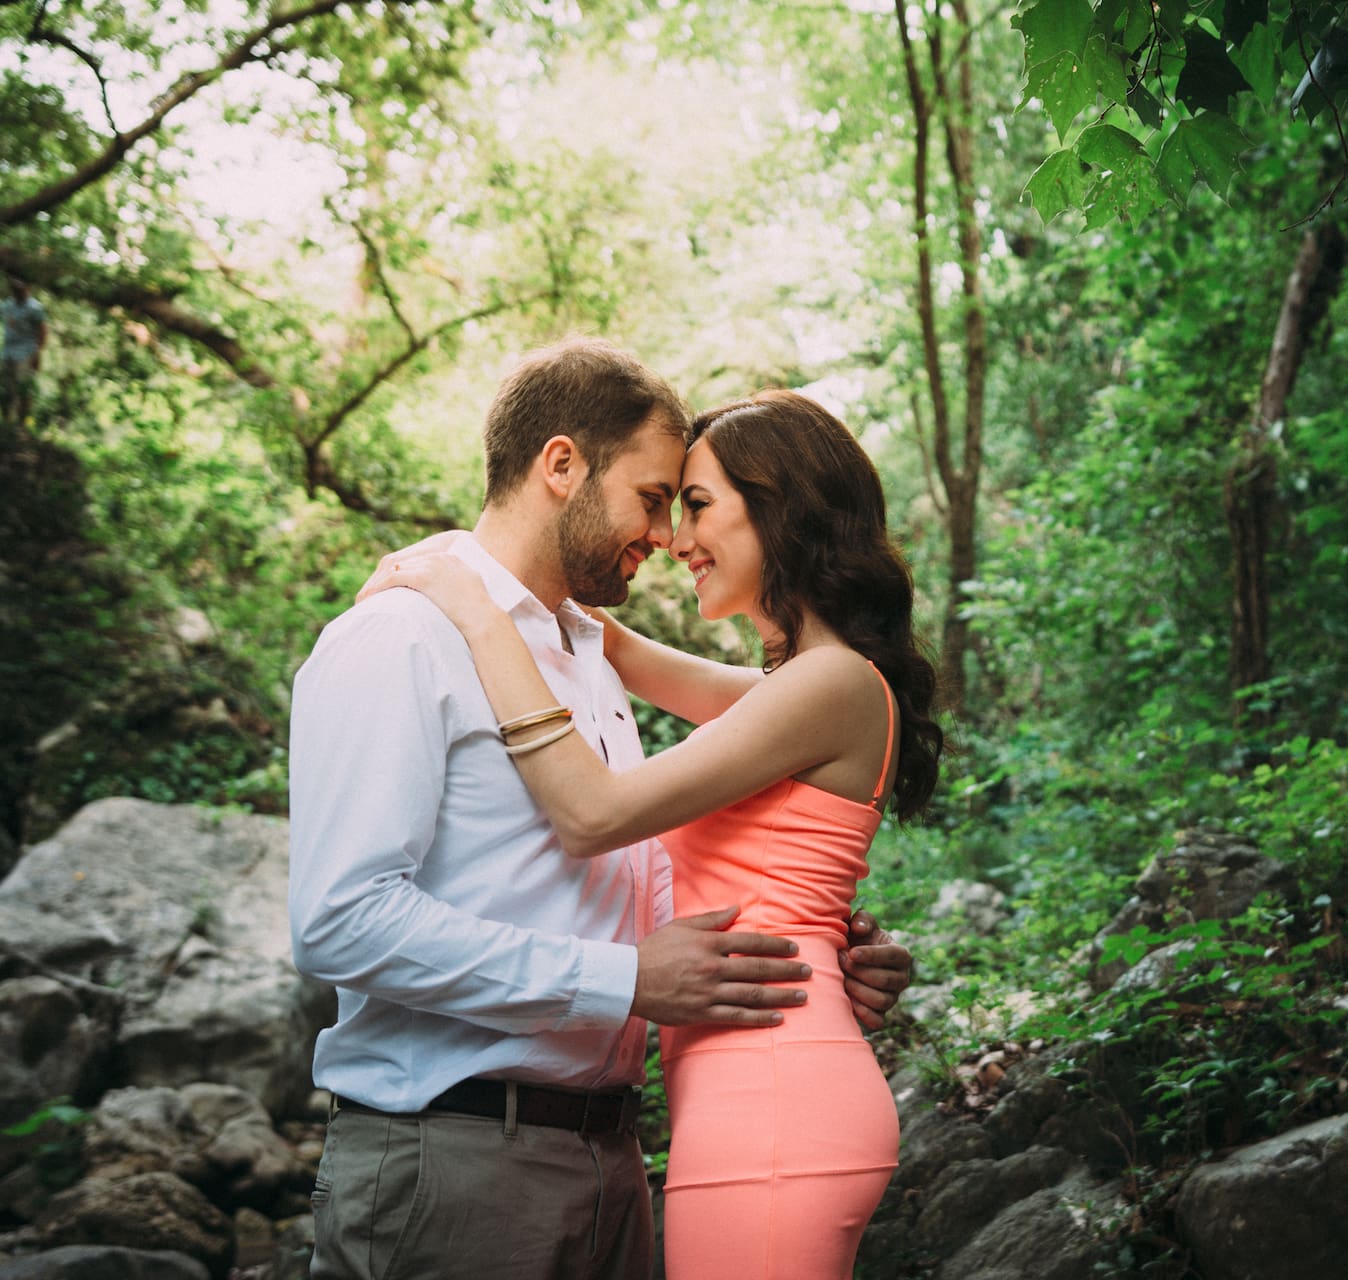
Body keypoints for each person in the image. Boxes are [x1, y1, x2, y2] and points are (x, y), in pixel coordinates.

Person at [288, 341, 914, 1280]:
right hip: (453, 1162)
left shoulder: (593, 659)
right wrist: (631, 978)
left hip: (616, 1161)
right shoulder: (404, 634)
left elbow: (616, 844)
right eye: (659, 499)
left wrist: (814, 942)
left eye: (689, 504)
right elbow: (339, 921)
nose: (669, 537)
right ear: (562, 465)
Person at [2, 278, 48, 427]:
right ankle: (7, 421)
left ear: (27, 289)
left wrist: (37, 354)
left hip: (27, 352)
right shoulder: (7, 305)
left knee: (24, 387)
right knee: (5, 386)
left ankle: (22, 424)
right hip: (7, 351)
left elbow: (43, 332)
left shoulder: (35, 308)